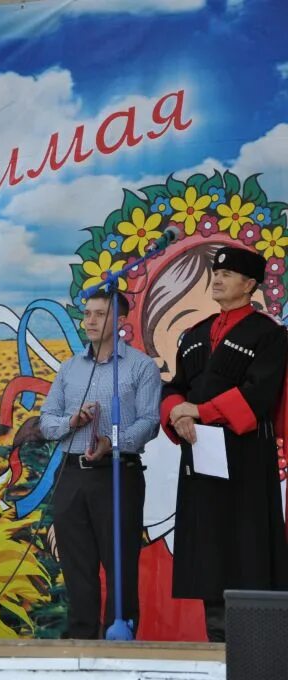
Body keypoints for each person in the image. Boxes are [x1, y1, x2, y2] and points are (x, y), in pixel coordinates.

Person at [160, 245, 288, 642]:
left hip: (246, 457)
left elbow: (258, 394)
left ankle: (252, 648)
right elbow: (175, 387)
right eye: (216, 273)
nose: (217, 279)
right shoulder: (195, 334)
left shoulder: (269, 334)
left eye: (228, 274)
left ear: (250, 285)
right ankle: (217, 645)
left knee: (246, 548)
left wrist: (199, 411)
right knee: (209, 548)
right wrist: (176, 412)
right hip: (200, 454)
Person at [39, 289, 162, 639]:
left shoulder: (140, 366)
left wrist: (113, 443)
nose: (89, 321)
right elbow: (47, 420)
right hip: (71, 473)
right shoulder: (69, 367)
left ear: (119, 320)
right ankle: (81, 639)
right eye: (87, 313)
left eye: (99, 314)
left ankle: (119, 638)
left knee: (120, 563)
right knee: (76, 563)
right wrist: (71, 422)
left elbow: (149, 422)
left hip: (118, 474)